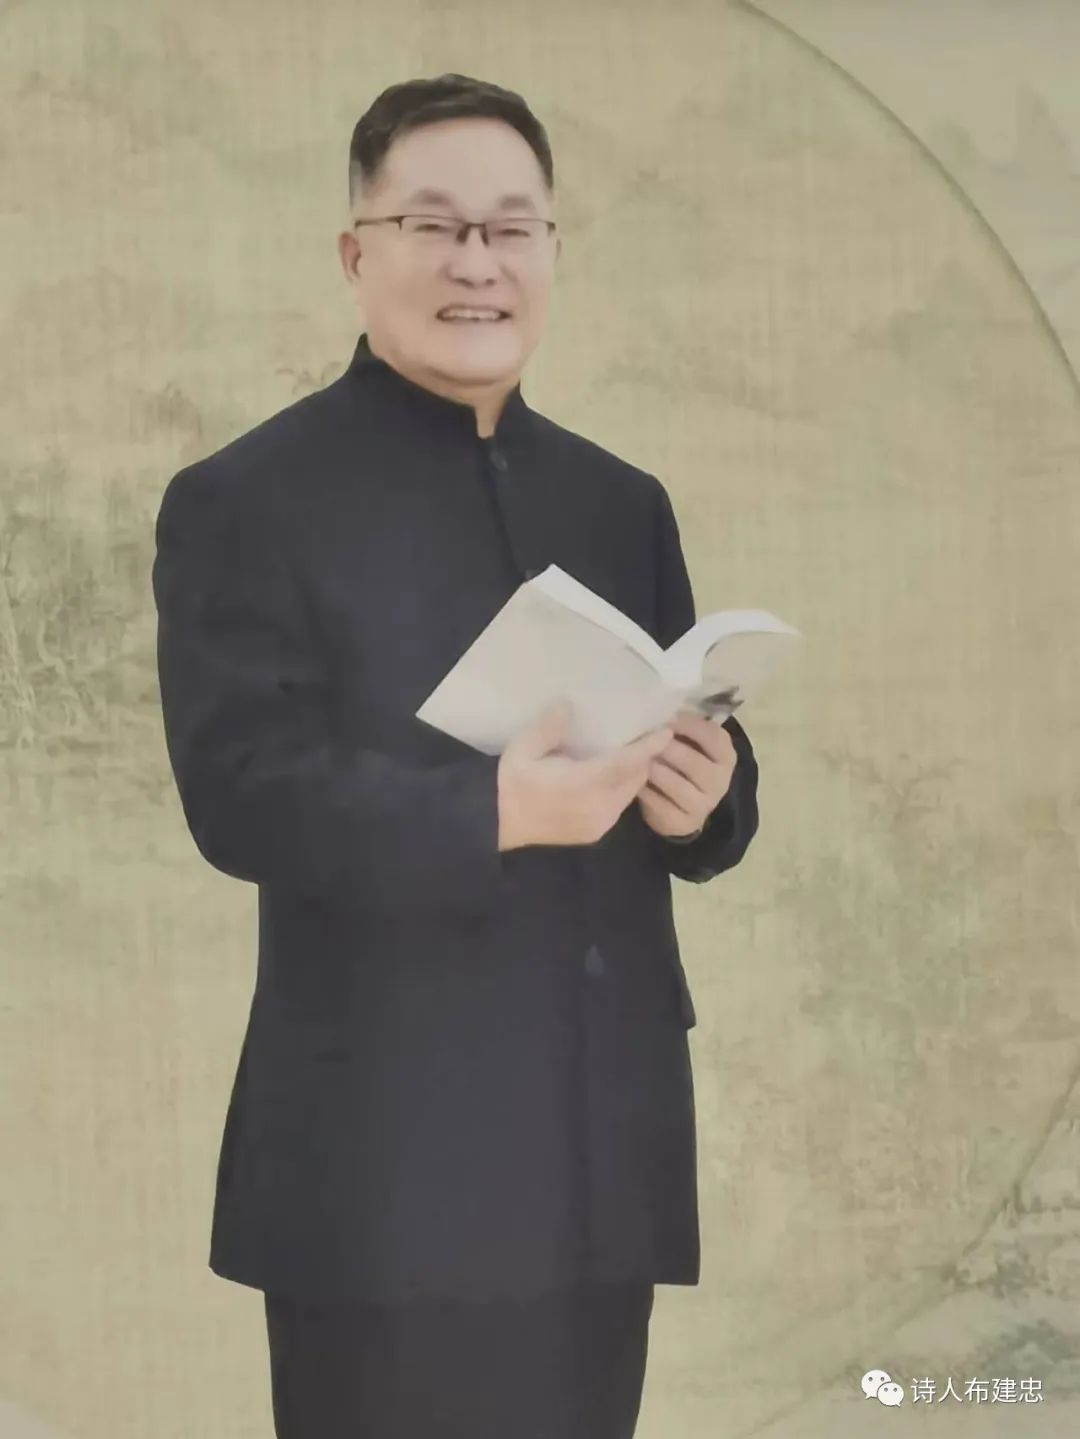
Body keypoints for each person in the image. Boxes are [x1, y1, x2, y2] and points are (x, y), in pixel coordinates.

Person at [152, 72, 759, 1439]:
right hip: (381, 1163)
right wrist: (494, 810)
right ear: (356, 253)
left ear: (551, 250)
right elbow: (241, 794)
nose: (477, 262)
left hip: (599, 1150)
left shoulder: (620, 501)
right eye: (434, 225)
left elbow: (691, 736)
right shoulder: (247, 500)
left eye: (511, 227)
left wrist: (707, 802)